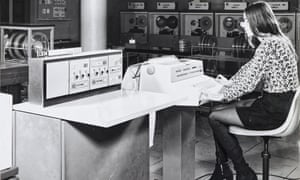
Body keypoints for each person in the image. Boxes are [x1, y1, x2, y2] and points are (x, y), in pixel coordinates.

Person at [205, 1, 299, 180]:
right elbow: (250, 69)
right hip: (280, 104)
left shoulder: (268, 45)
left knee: (214, 116)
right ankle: (222, 169)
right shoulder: (279, 41)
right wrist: (230, 83)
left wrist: (221, 95)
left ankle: (242, 171)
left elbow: (249, 82)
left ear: (256, 22)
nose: (242, 25)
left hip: (273, 111)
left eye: (245, 21)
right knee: (218, 111)